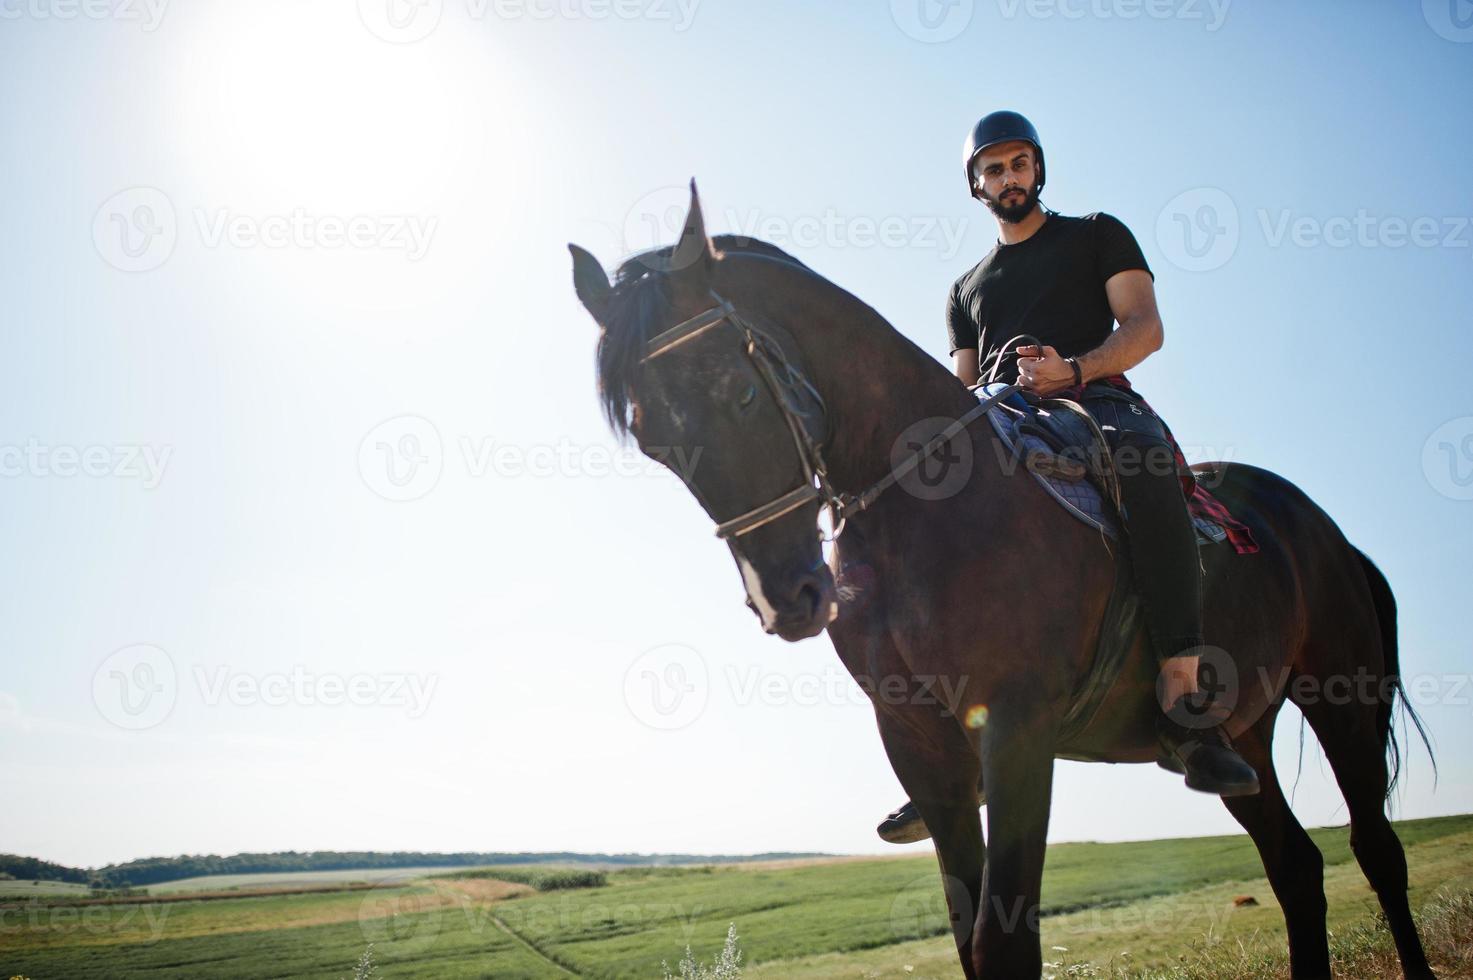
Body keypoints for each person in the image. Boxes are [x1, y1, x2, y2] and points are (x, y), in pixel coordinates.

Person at [877, 110, 1260, 845]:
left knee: (1143, 466)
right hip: (995, 419)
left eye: (1018, 163)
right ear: (975, 186)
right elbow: (957, 390)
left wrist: (1074, 370)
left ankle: (1185, 701)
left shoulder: (1095, 235)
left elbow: (1143, 327)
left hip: (1094, 401)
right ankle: (947, 755)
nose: (1006, 177)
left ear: (1037, 170)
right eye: (991, 169)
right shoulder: (964, 288)